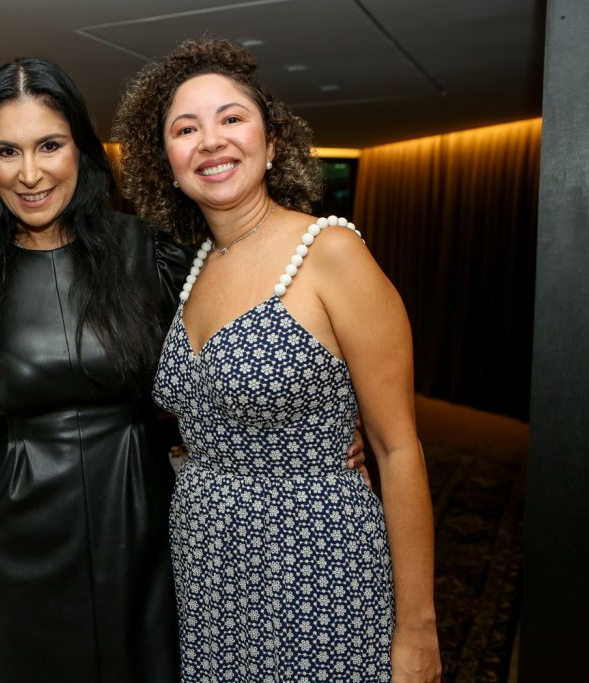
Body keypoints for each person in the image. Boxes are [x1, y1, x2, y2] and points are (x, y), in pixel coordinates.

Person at [114, 38, 441, 682]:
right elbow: (207, 418)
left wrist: (419, 628)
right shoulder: (197, 266)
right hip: (209, 572)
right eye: (186, 129)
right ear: (167, 164)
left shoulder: (330, 251)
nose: (210, 140)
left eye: (231, 118)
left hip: (317, 569)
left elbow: (398, 448)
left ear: (271, 143)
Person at [0, 57, 187, 683]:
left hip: (141, 527)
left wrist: (322, 427)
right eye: (6, 151)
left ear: (81, 147)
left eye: (49, 145)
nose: (29, 174)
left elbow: (231, 355)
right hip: (11, 539)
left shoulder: (148, 251)